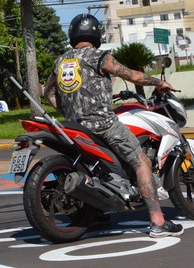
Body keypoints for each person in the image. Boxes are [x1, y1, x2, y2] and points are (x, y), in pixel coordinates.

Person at [43, 13, 183, 238]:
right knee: (141, 162)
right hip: (103, 125)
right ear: (96, 33)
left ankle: (95, 213)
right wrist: (159, 82)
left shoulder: (61, 61)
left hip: (72, 125)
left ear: (73, 34)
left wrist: (66, 110)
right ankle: (158, 221)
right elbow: (133, 76)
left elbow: (48, 91)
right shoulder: (99, 56)